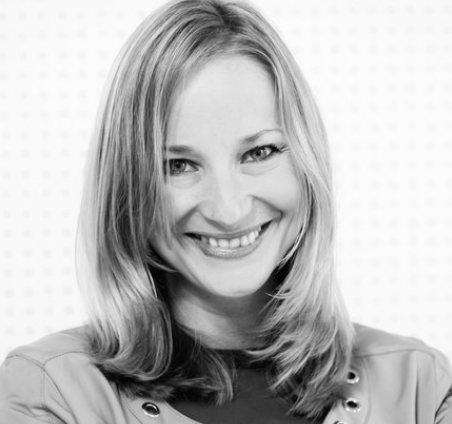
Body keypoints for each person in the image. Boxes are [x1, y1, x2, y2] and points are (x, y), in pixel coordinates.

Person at [1, 0, 451, 423]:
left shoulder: (421, 386)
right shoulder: (52, 393)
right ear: (127, 187)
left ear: (307, 162)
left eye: (259, 152)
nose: (229, 209)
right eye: (178, 165)